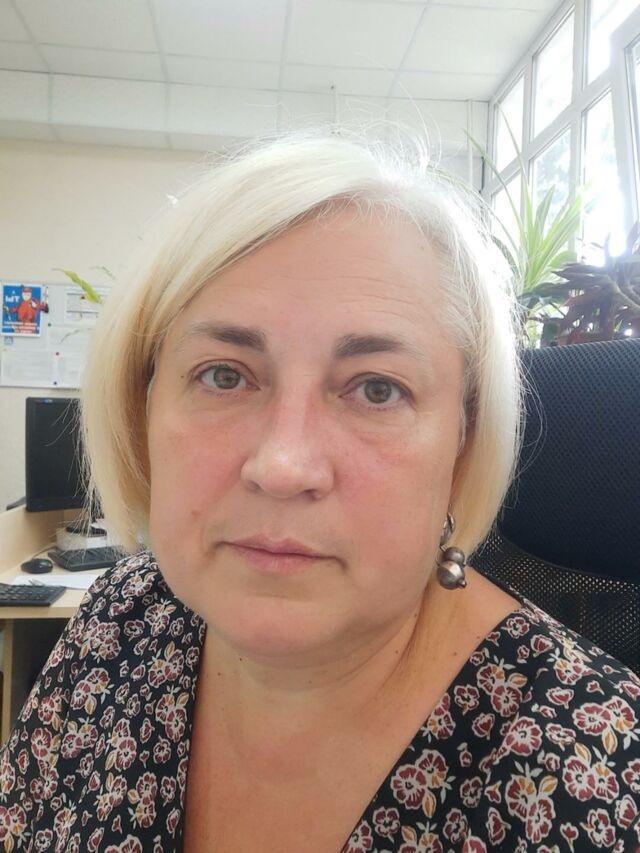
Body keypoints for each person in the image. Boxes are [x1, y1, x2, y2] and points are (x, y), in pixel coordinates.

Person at [1, 130, 639, 853]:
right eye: (223, 375)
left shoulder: (598, 782)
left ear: (463, 444)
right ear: (140, 405)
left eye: (377, 389)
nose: (283, 465)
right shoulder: (118, 621)